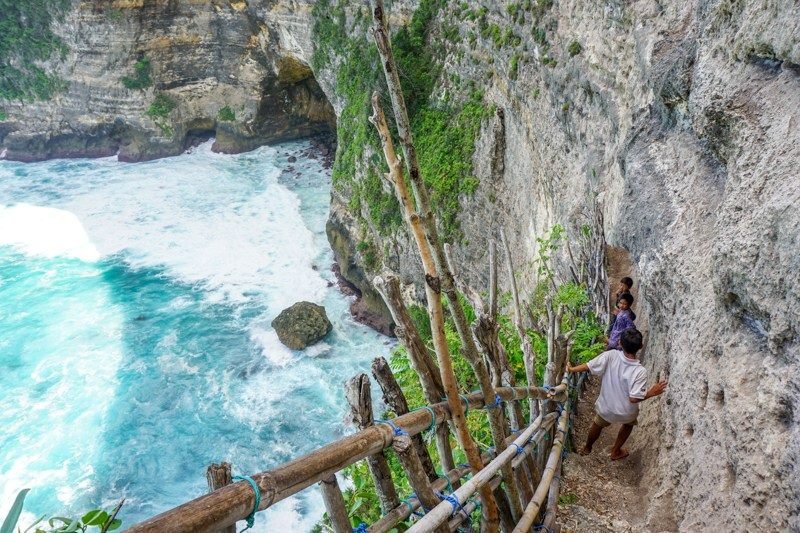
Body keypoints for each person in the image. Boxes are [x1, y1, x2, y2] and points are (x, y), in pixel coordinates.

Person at [567, 329, 667, 460]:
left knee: (597, 424)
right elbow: (634, 398)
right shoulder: (640, 371)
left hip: (606, 408)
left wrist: (571, 369)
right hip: (626, 413)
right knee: (629, 424)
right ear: (641, 346)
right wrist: (651, 393)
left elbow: (588, 366)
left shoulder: (611, 355)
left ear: (620, 343)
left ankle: (587, 448)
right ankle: (615, 451)